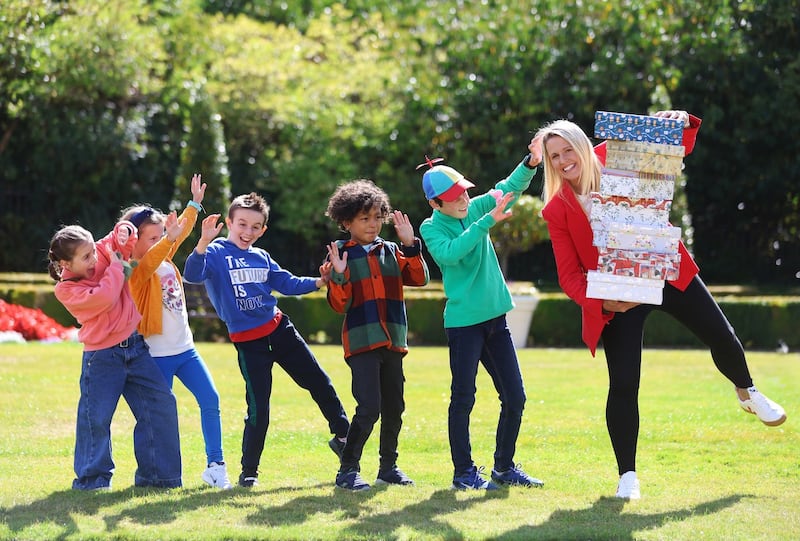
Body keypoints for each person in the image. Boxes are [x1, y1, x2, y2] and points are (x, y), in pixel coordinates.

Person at [535, 110, 787, 500]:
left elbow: (678, 146)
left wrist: (679, 119)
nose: (564, 159)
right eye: (554, 156)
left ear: (584, 146)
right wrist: (603, 302)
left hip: (664, 268)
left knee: (722, 335)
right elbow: (568, 275)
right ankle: (627, 477)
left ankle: (748, 390)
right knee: (623, 384)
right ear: (549, 163)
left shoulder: (617, 155)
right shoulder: (556, 209)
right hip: (617, 291)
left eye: (569, 149)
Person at [183, 192, 350, 488]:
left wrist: (320, 281)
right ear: (229, 223)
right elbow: (192, 275)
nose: (248, 232)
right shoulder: (216, 252)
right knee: (259, 408)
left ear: (263, 230)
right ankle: (249, 472)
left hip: (280, 330)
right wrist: (202, 242)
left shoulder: (261, 256)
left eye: (255, 227)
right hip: (249, 344)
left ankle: (344, 437)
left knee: (319, 381)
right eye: (242, 224)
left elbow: (285, 282)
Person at [418, 139, 546, 490]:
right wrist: (486, 221)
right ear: (434, 203)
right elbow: (452, 254)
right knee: (463, 399)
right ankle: (464, 474)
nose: (462, 200)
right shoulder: (431, 228)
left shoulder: (473, 209)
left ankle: (503, 468)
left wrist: (530, 163)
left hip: (495, 321)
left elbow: (506, 189)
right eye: (454, 196)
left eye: (463, 193)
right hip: (464, 327)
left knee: (515, 398)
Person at [48, 222, 182, 490]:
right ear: (66, 263)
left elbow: (114, 239)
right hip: (101, 358)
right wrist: (118, 264)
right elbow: (106, 296)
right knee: (95, 418)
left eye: (93, 252)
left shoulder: (99, 252)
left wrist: (125, 229)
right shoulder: (66, 291)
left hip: (136, 347)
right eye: (85, 257)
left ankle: (160, 478)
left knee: (161, 405)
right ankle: (92, 480)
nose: (93, 259)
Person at [121, 174, 232, 490]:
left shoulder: (165, 255)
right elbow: (161, 250)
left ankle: (216, 466)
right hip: (156, 358)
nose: (159, 241)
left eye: (161, 235)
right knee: (159, 419)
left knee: (210, 399)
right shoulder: (137, 271)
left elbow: (178, 234)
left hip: (185, 351)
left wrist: (193, 204)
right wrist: (168, 238)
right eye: (152, 237)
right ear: (134, 241)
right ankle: (156, 474)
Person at [324, 179, 430, 491]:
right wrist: (339, 273)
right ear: (346, 222)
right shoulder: (339, 254)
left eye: (376, 218)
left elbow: (420, 278)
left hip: (393, 342)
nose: (372, 225)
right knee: (369, 407)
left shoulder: (394, 251)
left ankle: (388, 467)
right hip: (361, 343)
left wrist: (411, 245)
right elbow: (338, 303)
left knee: (394, 407)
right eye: (363, 219)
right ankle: (348, 470)